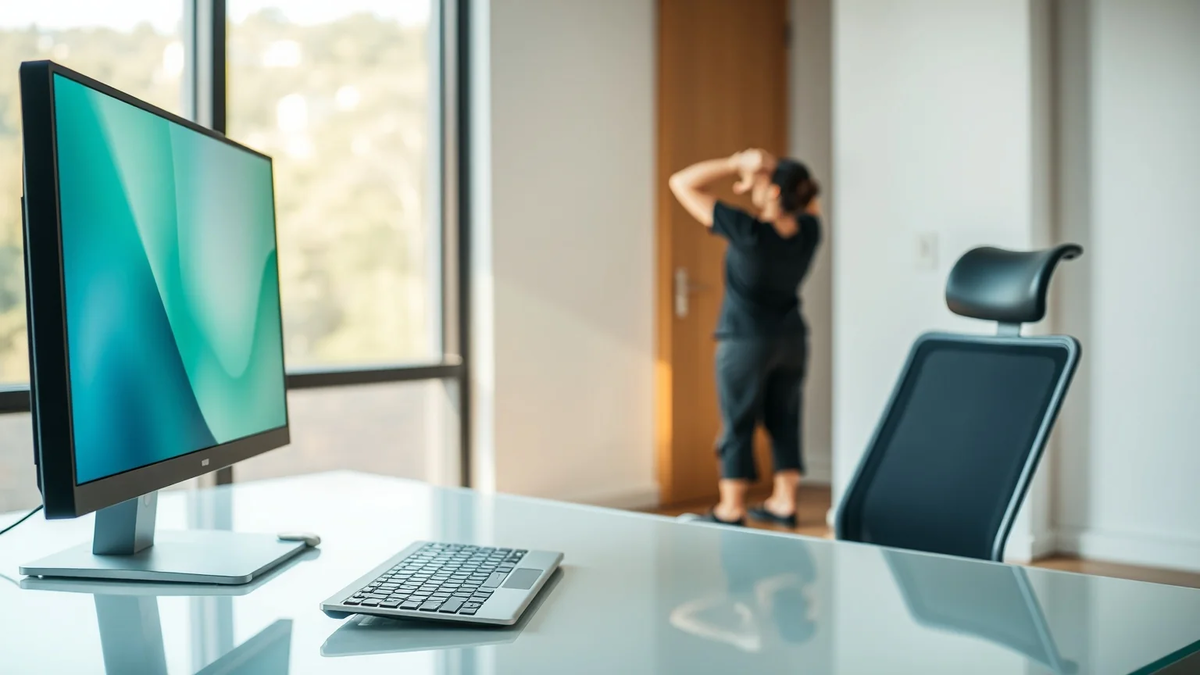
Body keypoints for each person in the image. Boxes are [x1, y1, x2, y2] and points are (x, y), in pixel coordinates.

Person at [668, 148, 822, 526]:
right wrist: (772, 176)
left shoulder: (748, 230)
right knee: (785, 419)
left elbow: (681, 183)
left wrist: (737, 164)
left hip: (746, 340)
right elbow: (807, 196)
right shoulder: (808, 231)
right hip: (791, 339)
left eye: (766, 182)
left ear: (773, 192)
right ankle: (784, 502)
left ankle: (731, 508)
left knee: (737, 421)